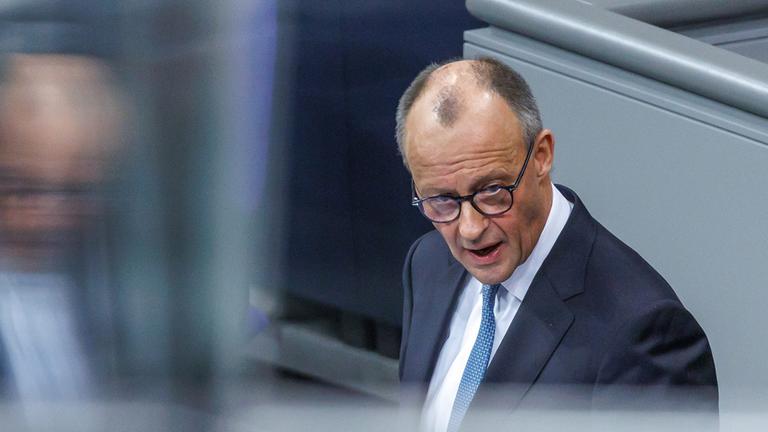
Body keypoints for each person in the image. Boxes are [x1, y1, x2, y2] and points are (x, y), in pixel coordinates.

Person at [395, 57, 717, 432]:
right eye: (441, 200)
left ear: (542, 156)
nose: (470, 229)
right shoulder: (428, 262)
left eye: (493, 191)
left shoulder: (644, 332)